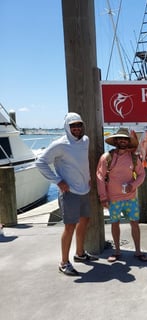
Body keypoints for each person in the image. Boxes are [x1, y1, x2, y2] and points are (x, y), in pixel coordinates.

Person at [36, 112, 97, 276]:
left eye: (79, 125)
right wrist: (57, 181)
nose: (77, 128)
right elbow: (40, 162)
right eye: (73, 126)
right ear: (67, 127)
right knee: (69, 226)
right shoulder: (59, 144)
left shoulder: (85, 140)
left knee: (85, 221)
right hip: (69, 192)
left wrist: (89, 178)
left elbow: (83, 161)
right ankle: (64, 262)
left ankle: (80, 253)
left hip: (84, 189)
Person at [96, 128, 147, 262]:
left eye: (125, 139)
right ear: (115, 141)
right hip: (113, 199)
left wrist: (134, 185)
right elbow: (100, 177)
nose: (122, 141)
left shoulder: (134, 158)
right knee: (115, 224)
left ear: (128, 141)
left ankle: (138, 251)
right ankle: (117, 251)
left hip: (130, 199)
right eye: (120, 138)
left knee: (135, 224)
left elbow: (142, 174)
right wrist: (103, 197)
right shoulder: (106, 157)